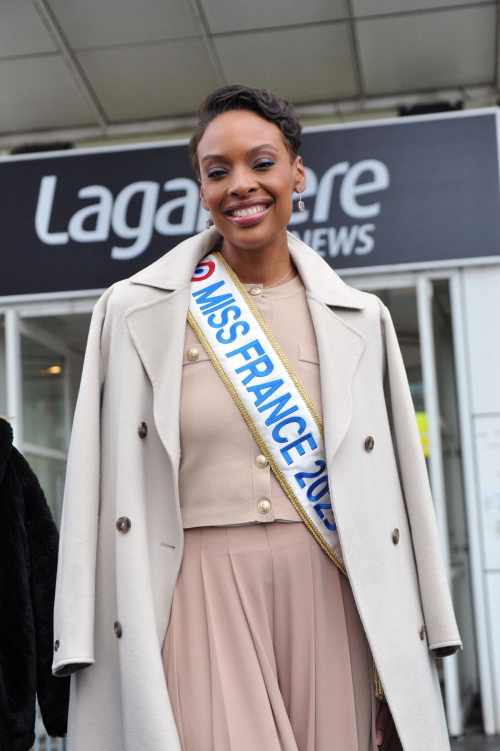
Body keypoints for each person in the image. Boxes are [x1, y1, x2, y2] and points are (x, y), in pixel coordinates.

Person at [52, 86, 462, 751]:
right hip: (197, 585)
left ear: (297, 173)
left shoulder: (361, 319)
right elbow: (93, 481)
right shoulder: (133, 310)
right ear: (202, 187)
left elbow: (402, 492)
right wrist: (76, 629)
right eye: (218, 171)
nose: (241, 185)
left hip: (330, 588)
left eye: (262, 163)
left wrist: (424, 629)